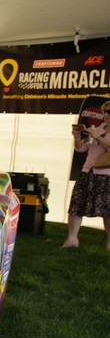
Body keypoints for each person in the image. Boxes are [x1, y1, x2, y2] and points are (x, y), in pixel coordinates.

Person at [62, 99, 110, 250]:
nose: (107, 114)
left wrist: (97, 137)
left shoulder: (98, 132)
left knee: (107, 211)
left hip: (106, 175)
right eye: (105, 111)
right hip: (87, 171)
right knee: (76, 205)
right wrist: (77, 138)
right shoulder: (100, 128)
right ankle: (72, 239)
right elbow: (82, 149)